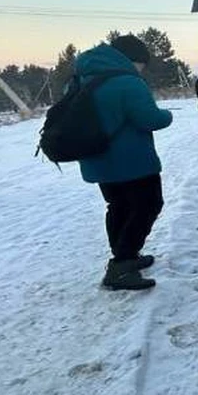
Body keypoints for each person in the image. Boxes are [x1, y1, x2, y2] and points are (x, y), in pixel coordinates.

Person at [76, 35, 174, 291]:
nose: (142, 69)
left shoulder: (81, 78)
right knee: (148, 205)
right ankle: (121, 264)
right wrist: (167, 115)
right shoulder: (128, 82)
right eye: (143, 63)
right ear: (134, 60)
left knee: (117, 206)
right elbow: (150, 119)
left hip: (96, 160)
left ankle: (126, 257)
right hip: (133, 163)